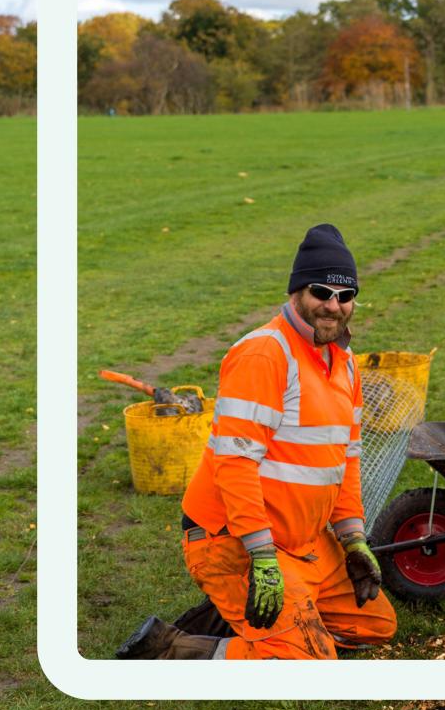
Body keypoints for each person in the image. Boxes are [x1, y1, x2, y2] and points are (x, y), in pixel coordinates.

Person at [116, 223, 396, 659]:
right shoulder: (265, 354)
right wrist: (261, 554)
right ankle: (171, 652)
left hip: (303, 543)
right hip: (234, 542)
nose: (333, 305)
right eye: (322, 292)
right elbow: (235, 464)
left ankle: (244, 624)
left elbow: (348, 461)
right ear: (297, 291)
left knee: (374, 626)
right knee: (308, 663)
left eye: (345, 295)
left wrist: (353, 538)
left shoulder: (344, 364)